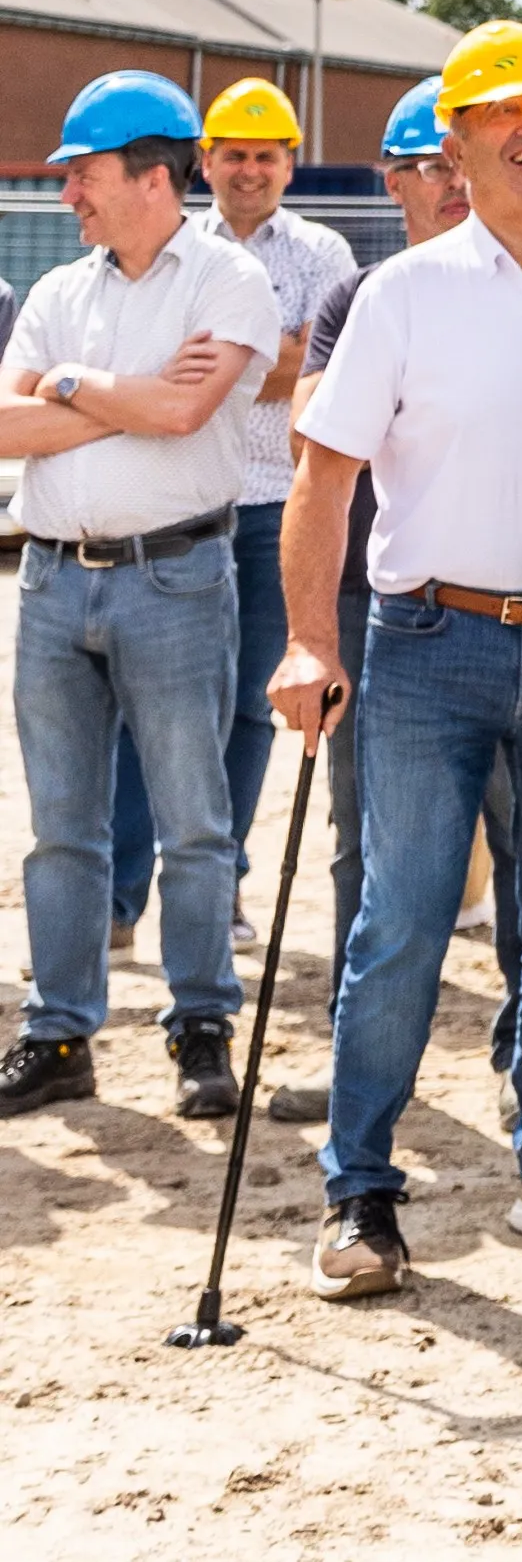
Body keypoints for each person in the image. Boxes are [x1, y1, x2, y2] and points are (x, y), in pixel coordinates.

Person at [271, 19, 522, 1299]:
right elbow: (322, 481)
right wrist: (308, 639)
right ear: (453, 144)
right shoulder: (402, 296)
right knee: (398, 925)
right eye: (505, 110)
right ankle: (360, 1191)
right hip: (430, 645)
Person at [0, 74, 281, 1119]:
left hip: (175, 574)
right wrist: (131, 399)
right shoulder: (61, 293)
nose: (69, 193)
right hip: (55, 577)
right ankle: (60, 1035)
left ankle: (200, 1024)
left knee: (193, 822)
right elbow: (5, 423)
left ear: (151, 177)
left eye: (84, 173)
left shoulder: (226, 281)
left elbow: (188, 409)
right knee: (61, 828)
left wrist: (67, 386)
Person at [264, 77, 522, 1127]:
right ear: (395, 183)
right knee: (364, 843)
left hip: (517, 610)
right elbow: (309, 435)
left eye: (462, 164)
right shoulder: (356, 298)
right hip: (391, 613)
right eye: (429, 167)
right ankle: (358, 1052)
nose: (452, 187)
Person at [108, 79, 356, 949]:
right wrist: (268, 351)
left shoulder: (325, 254)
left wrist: (223, 358)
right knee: (158, 708)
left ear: (291, 164)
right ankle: (121, 895)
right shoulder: (172, 241)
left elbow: (315, 369)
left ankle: (220, 889)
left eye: (267, 154)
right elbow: (155, 361)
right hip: (184, 503)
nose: (250, 170)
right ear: (202, 159)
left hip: (273, 511)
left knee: (254, 708)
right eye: (234, 154)